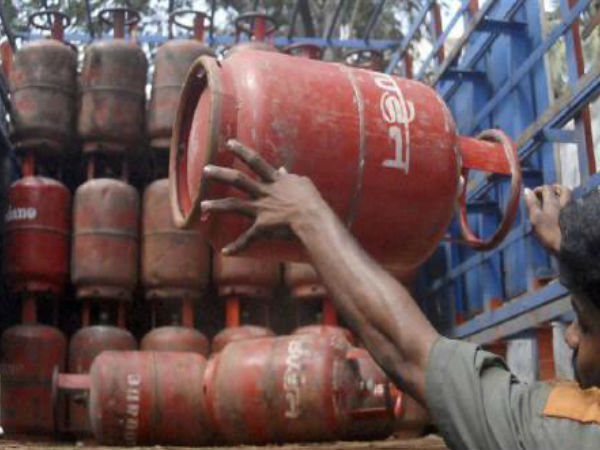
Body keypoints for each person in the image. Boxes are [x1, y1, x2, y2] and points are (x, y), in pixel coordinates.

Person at [201, 139, 600, 450]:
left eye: (583, 324)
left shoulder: (562, 437)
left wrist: (306, 214)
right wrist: (571, 252)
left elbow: (412, 355)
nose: (570, 336)